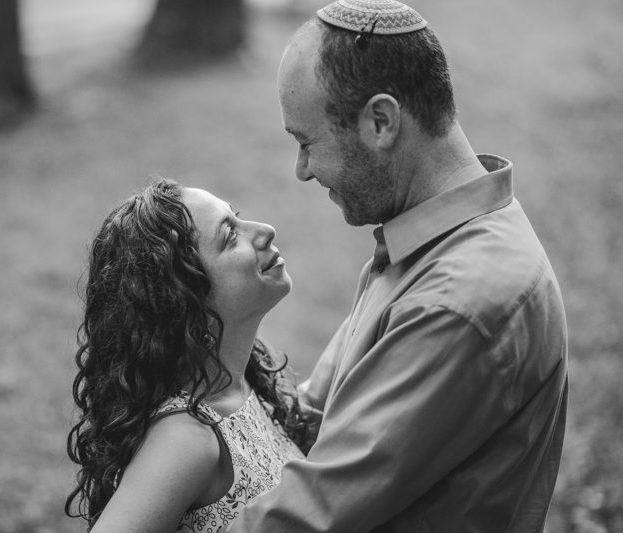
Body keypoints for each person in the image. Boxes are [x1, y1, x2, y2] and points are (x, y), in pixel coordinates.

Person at [226, 0, 569, 531]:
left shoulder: (458, 303)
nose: (302, 170)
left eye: (306, 142)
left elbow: (306, 516)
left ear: (380, 122)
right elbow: (314, 417)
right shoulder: (426, 242)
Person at [65, 178, 310, 532]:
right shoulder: (186, 438)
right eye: (230, 236)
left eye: (237, 218)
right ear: (184, 296)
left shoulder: (244, 384)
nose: (265, 230)